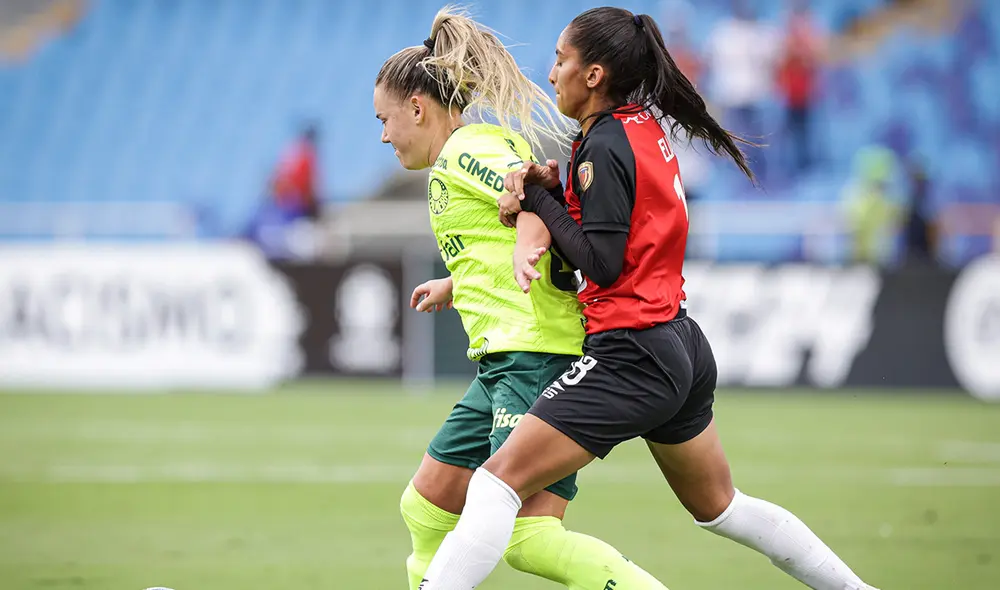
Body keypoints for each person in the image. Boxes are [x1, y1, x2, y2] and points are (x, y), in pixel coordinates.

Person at [419, 8, 881, 590]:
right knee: (722, 507)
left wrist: (541, 202)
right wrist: (550, 195)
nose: (552, 70)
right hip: (679, 343)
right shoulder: (643, 129)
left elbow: (603, 263)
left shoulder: (603, 144)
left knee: (493, 483)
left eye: (562, 59)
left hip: (630, 353)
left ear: (594, 75)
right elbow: (622, 232)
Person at [372, 7, 669, 590]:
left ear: (416, 107)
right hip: (504, 361)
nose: (384, 135)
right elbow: (506, 225)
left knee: (529, 541)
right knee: (426, 505)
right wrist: (459, 283)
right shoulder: (463, 155)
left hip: (534, 358)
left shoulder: (467, 153)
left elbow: (534, 187)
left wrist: (531, 233)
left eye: (384, 119)